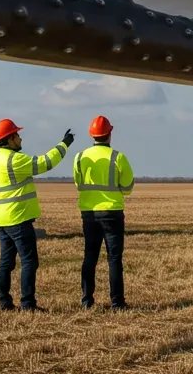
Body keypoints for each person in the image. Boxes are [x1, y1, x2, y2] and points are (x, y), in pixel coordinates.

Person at [0, 118, 73, 312]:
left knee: (6, 263)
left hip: (3, 218)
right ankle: (27, 304)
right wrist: (64, 144)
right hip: (18, 217)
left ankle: (4, 303)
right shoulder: (15, 160)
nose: (20, 138)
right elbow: (45, 163)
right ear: (9, 139)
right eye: (17, 135)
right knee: (29, 262)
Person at [72, 114, 135, 310]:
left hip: (89, 213)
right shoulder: (118, 157)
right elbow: (128, 188)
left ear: (92, 135)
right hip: (112, 213)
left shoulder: (80, 157)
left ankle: (87, 300)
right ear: (109, 133)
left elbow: (78, 184)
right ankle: (117, 302)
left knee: (90, 256)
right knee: (114, 258)